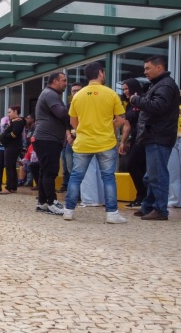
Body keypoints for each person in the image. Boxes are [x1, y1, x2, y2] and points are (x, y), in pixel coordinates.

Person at [62, 62, 126, 223]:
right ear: (100, 73)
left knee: (76, 177)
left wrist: (84, 129)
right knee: (108, 178)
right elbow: (121, 120)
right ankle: (112, 214)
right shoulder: (111, 94)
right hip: (106, 142)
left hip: (83, 143)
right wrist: (107, 125)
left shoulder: (78, 96)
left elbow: (72, 121)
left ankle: (68, 211)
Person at [130, 55, 180, 221]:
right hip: (155, 135)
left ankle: (160, 209)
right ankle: (149, 206)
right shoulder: (160, 84)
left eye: (148, 68)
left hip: (159, 136)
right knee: (150, 175)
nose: (145, 72)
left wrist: (137, 100)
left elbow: (158, 106)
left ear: (159, 67)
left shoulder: (165, 85)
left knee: (157, 175)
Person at [32, 72, 70, 215]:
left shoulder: (48, 94)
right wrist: (75, 110)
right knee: (50, 171)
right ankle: (51, 202)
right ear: (55, 81)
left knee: (45, 171)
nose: (66, 83)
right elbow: (61, 113)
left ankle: (42, 203)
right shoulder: (50, 94)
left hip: (46, 138)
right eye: (63, 80)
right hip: (48, 139)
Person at [118, 78, 146, 209]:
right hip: (134, 138)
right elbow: (127, 125)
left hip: (145, 138)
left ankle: (143, 195)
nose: (125, 91)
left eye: (127, 88)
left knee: (132, 165)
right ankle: (141, 196)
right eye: (123, 89)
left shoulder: (143, 100)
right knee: (136, 166)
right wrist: (122, 142)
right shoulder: (129, 104)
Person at [0, 105, 24, 194]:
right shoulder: (14, 121)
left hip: (13, 146)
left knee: (9, 165)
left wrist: (4, 136)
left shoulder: (18, 122)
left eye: (10, 112)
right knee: (12, 166)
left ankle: (9, 187)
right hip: (10, 146)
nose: (8, 114)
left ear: (15, 111)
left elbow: (13, 134)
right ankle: (13, 186)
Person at [59, 83, 83, 192]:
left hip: (83, 139)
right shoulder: (69, 106)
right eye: (74, 91)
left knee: (81, 168)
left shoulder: (86, 105)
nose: (76, 92)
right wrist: (69, 136)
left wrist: (74, 135)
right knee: (69, 166)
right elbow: (66, 124)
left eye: (78, 90)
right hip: (70, 140)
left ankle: (80, 192)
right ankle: (73, 191)